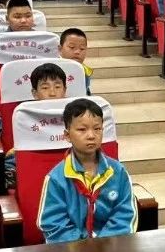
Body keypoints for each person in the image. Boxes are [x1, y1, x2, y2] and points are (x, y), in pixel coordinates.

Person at [38, 99, 137, 243]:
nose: (91, 135)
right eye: (82, 130)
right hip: (72, 250)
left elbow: (125, 215)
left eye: (97, 129)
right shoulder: (56, 178)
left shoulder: (118, 172)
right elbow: (53, 223)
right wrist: (83, 247)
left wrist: (102, 244)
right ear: (67, 135)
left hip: (111, 247)